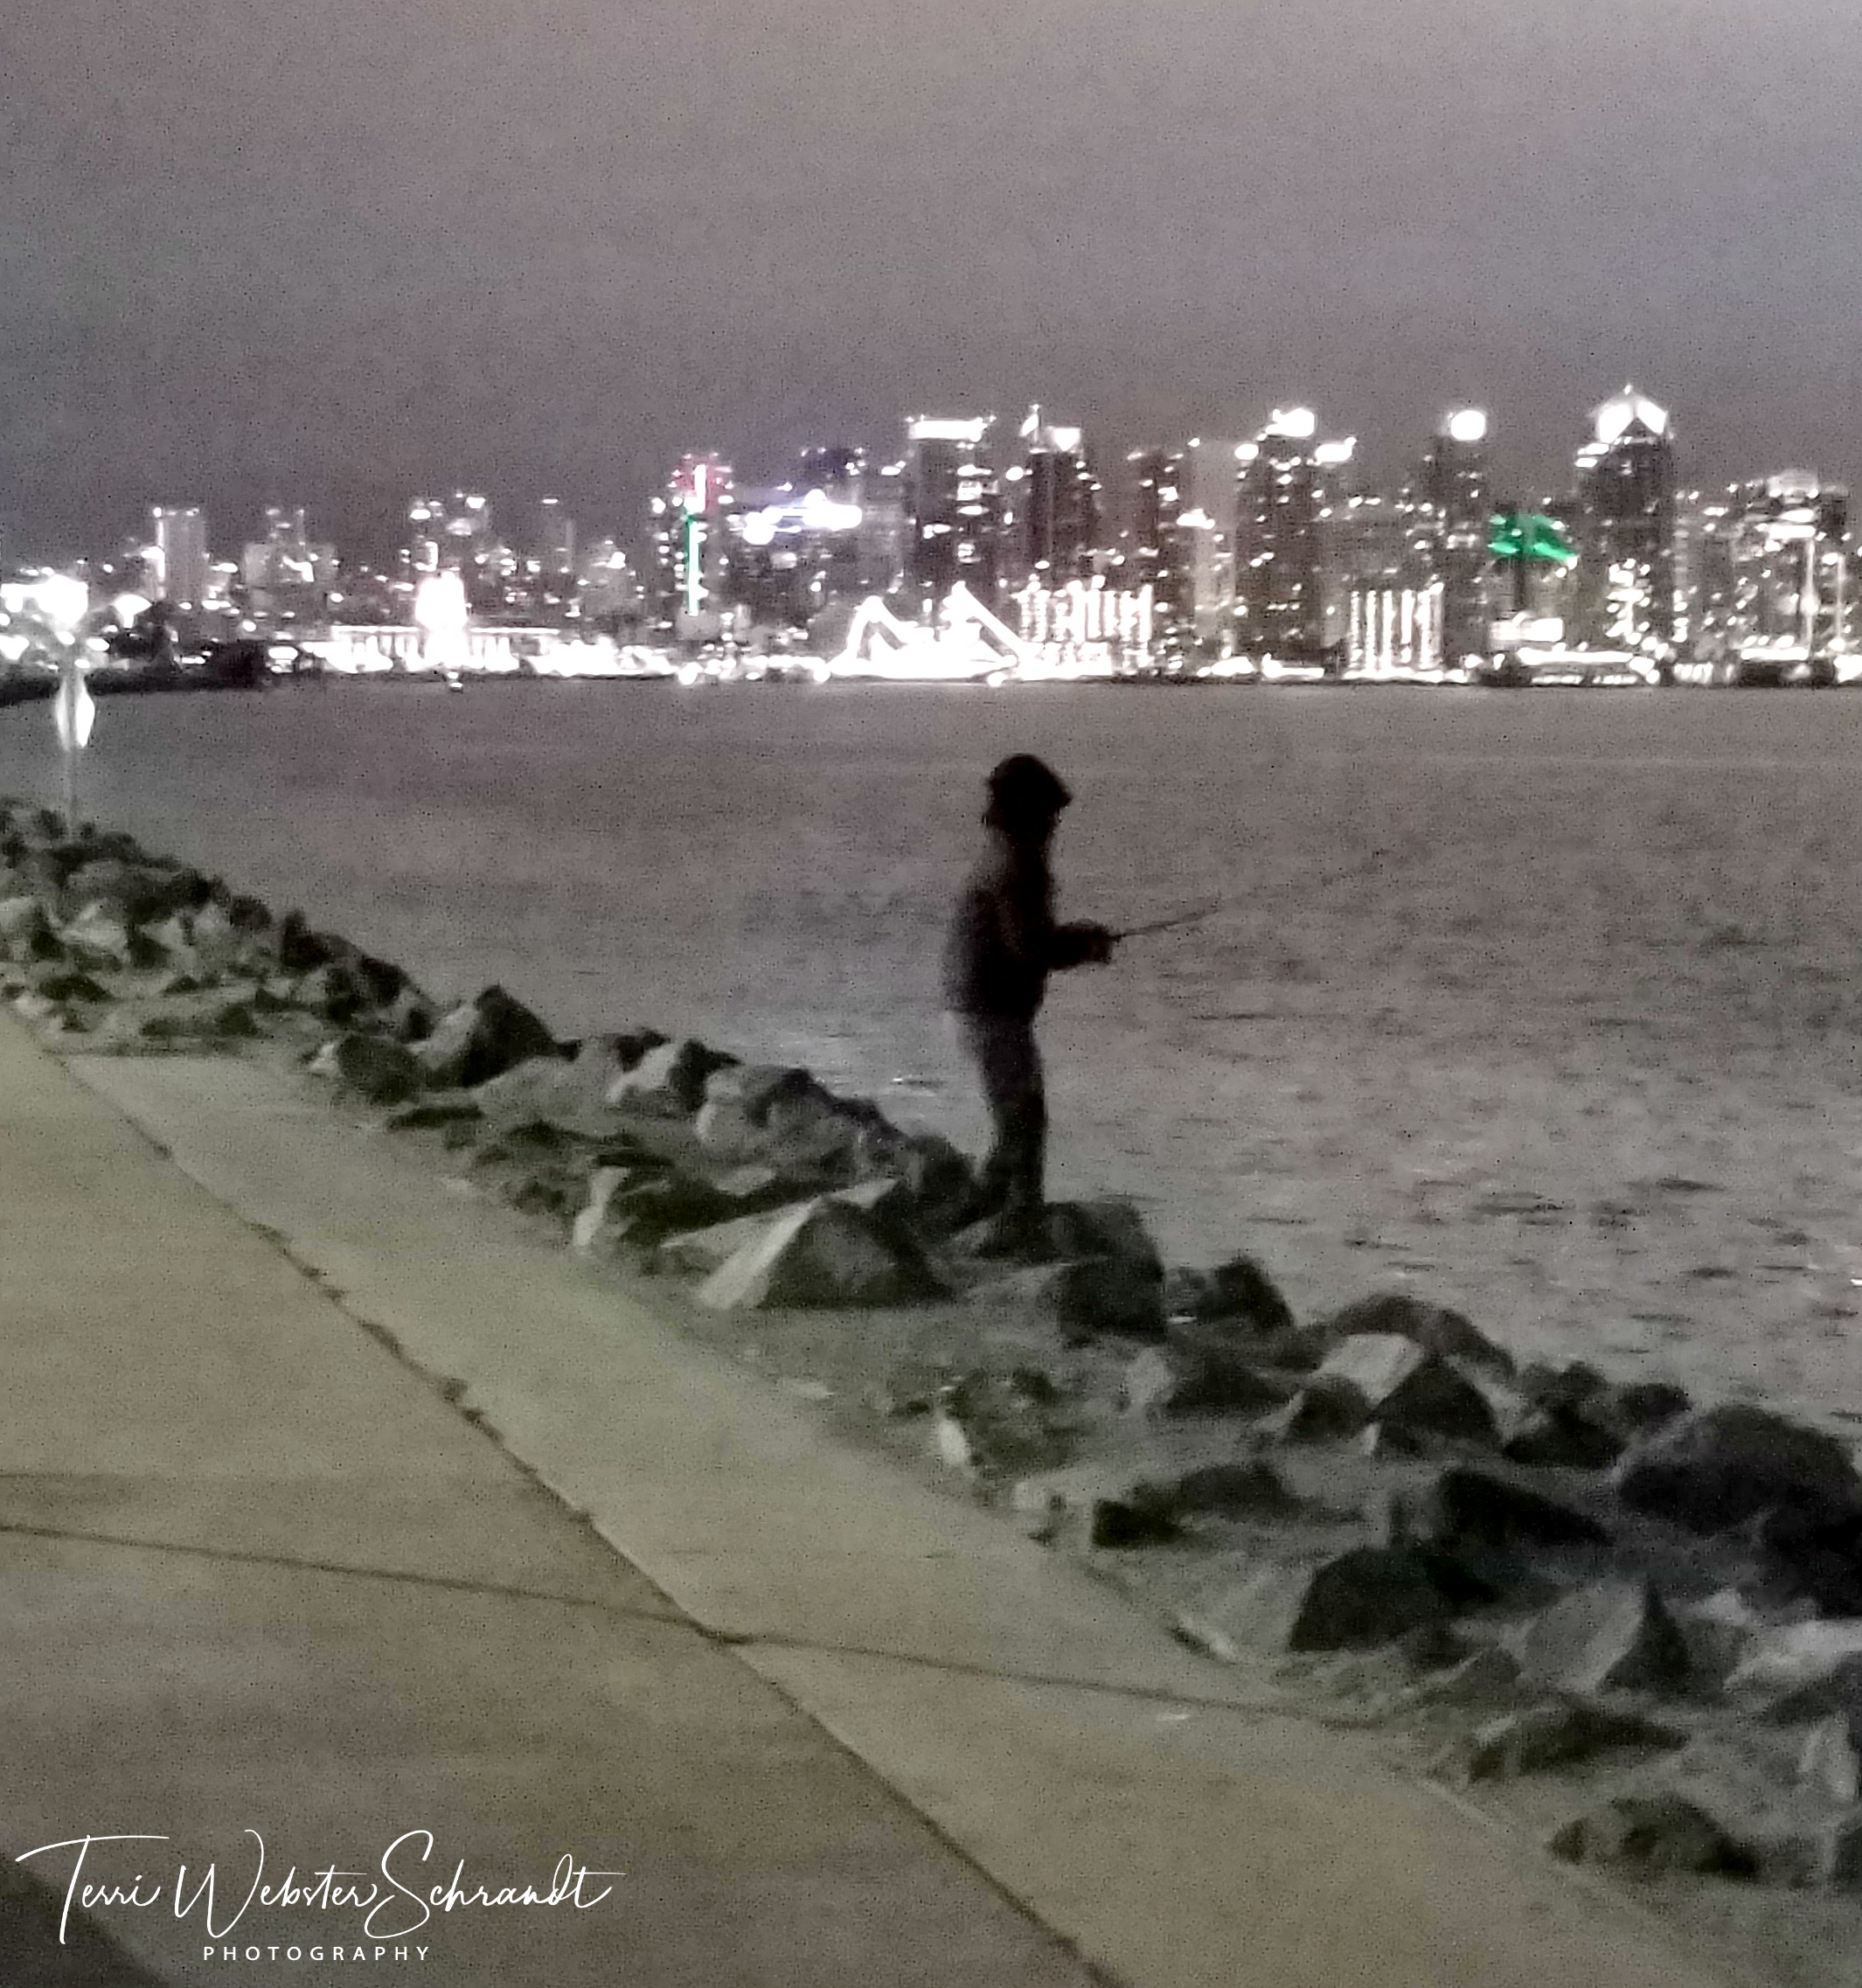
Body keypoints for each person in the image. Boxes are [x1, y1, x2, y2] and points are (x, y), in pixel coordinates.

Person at [942, 754, 1115, 1255]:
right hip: (990, 1014)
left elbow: (1026, 938)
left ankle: (989, 1217)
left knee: (1016, 1121)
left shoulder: (1000, 855)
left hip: (973, 1008)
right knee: (1023, 1122)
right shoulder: (1017, 866)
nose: (1054, 826)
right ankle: (1012, 1226)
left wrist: (1076, 937)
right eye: (1050, 814)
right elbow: (1029, 948)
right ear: (1028, 811)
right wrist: (1082, 946)